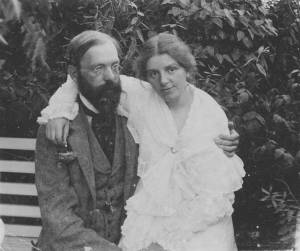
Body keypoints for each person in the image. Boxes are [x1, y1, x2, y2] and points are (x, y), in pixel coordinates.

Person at [36, 31, 243, 251]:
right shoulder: (141, 98)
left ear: (187, 68)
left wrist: (164, 243)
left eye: (171, 69)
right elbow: (59, 219)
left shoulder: (207, 112)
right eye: (153, 73)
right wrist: (59, 109)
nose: (163, 80)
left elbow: (214, 193)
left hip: (194, 226)